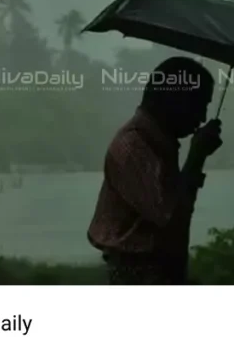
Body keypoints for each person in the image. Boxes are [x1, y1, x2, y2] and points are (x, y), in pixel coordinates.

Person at [87, 56, 223, 284]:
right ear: (175, 100)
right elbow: (170, 218)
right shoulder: (133, 147)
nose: (201, 118)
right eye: (199, 105)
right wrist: (196, 157)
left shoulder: (160, 145)